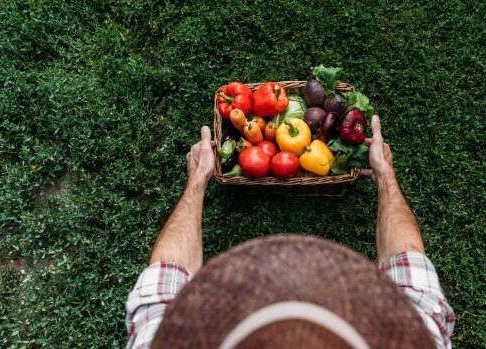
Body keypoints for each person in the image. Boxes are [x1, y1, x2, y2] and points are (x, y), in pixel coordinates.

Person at [125, 115, 455, 349]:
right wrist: (385, 177)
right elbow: (410, 272)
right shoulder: (420, 337)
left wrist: (198, 180)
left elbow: (165, 282)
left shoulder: (160, 341)